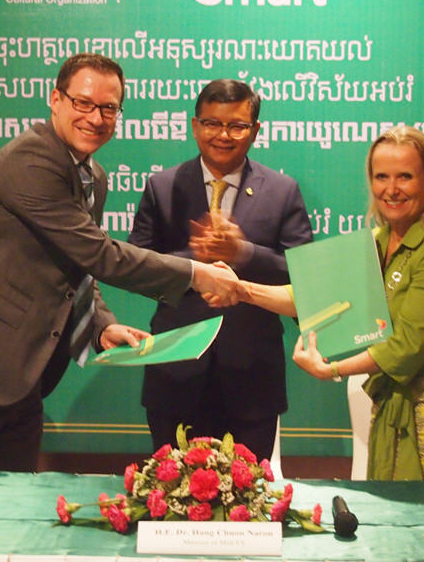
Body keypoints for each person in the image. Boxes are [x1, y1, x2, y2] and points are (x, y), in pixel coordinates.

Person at [0, 53, 239, 472]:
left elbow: (77, 266)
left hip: (19, 380)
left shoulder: (92, 176)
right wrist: (196, 274)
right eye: (83, 103)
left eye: (109, 108)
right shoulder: (31, 160)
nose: (95, 118)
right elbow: (99, 253)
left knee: (11, 508)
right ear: (55, 99)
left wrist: (101, 327)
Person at [212, 125, 424, 480]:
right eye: (381, 177)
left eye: (405, 176)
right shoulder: (377, 240)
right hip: (389, 409)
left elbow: (406, 347)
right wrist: (241, 289)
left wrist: (332, 369)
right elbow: (311, 297)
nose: (391, 189)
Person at [128, 79, 313, 461]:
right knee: (172, 490)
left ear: (255, 130)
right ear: (195, 126)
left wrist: (244, 253)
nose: (223, 135)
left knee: (247, 493)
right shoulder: (162, 187)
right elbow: (136, 267)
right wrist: (196, 264)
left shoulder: (282, 190)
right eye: (212, 123)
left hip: (252, 378)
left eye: (236, 126)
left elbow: (304, 277)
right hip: (175, 373)